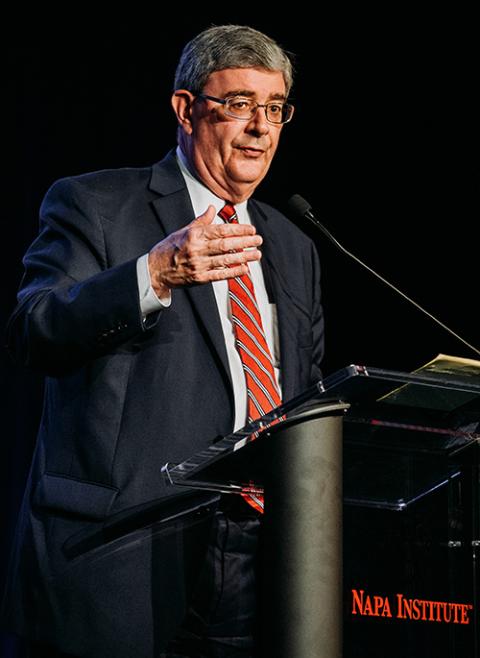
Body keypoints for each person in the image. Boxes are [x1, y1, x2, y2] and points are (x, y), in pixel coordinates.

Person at [2, 25, 324, 658]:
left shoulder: (296, 245)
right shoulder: (95, 204)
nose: (260, 127)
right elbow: (31, 331)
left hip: (260, 553)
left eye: (274, 108)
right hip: (122, 551)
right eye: (239, 104)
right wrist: (152, 275)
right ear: (186, 109)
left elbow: (304, 396)